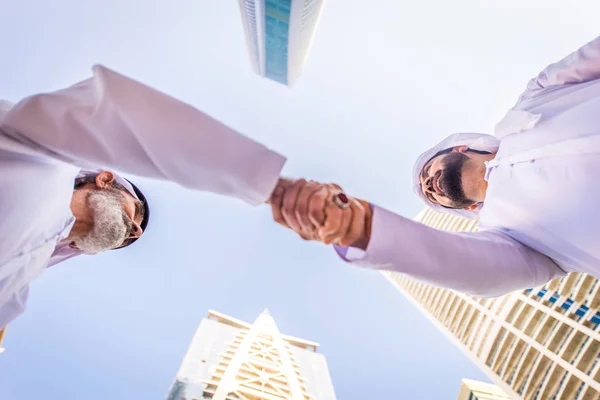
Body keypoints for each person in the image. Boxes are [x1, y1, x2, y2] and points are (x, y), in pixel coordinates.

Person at [270, 35, 600, 298]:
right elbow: (472, 268)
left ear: (458, 147)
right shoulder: (513, 238)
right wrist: (354, 226)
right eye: (430, 196)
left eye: (428, 172)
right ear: (467, 208)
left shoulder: (537, 96)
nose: (429, 186)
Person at [0, 65, 287, 329]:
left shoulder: (18, 287)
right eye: (135, 211)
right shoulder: (43, 156)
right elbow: (115, 115)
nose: (135, 230)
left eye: (131, 235)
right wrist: (274, 187)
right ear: (105, 179)